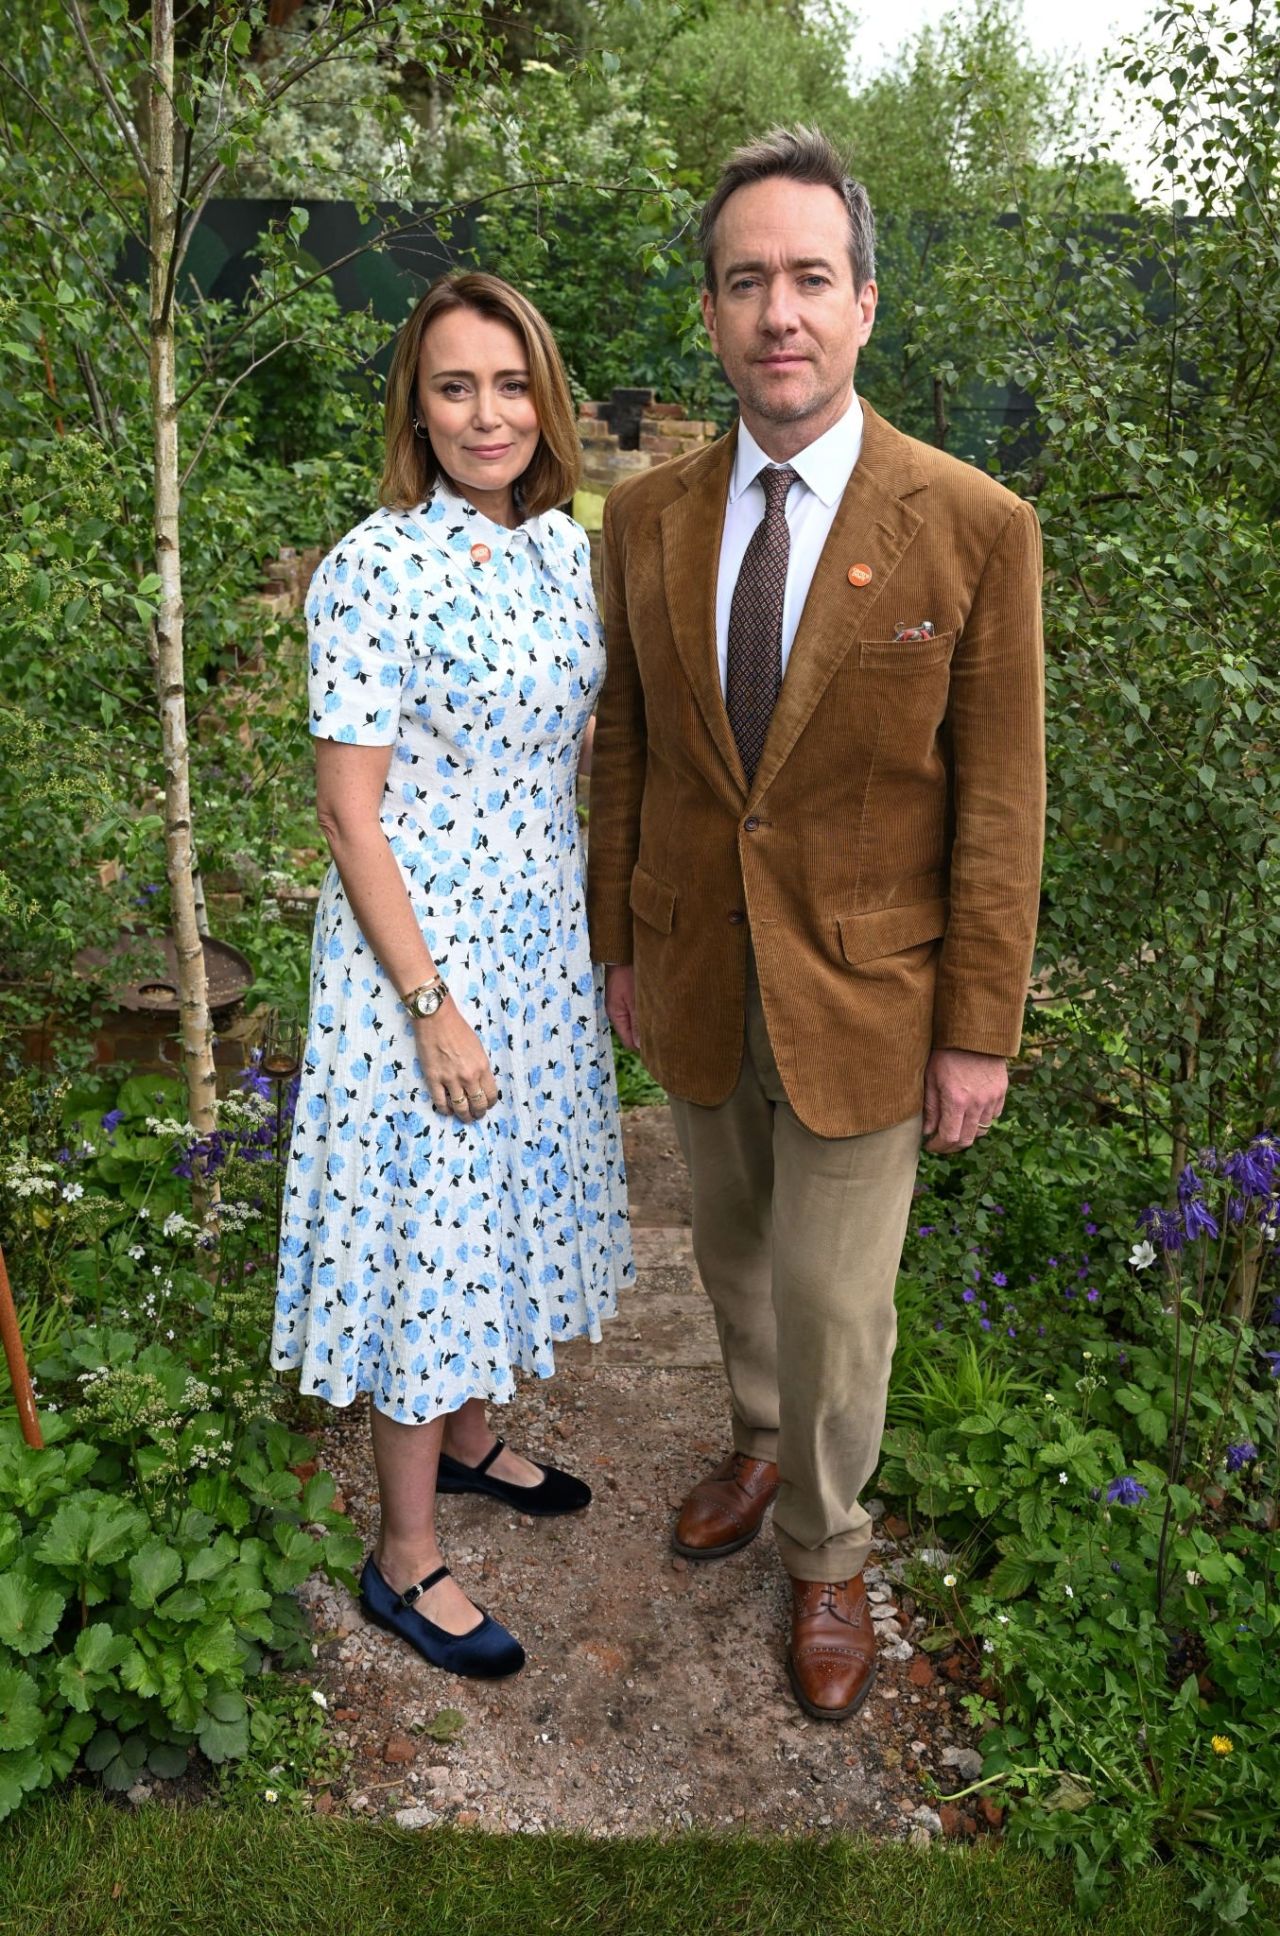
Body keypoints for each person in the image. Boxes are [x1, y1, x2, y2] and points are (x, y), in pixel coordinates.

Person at [587, 128, 1044, 1721]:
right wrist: (618, 947)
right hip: (701, 965)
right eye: (744, 282)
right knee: (728, 1252)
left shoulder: (973, 525)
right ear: (711, 316)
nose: (776, 312)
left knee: (838, 1296)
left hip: (874, 993)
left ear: (862, 302)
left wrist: (981, 1024)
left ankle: (829, 1557)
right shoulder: (643, 520)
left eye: (807, 279)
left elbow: (1000, 800)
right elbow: (628, 745)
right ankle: (762, 1444)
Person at [273, 270, 633, 1680]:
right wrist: (430, 1007)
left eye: (506, 381)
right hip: (414, 960)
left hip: (534, 940)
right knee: (429, 1234)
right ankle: (404, 1560)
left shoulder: (558, 550)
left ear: (542, 395)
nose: (486, 414)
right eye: (451, 386)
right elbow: (350, 811)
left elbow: (576, 743)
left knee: (501, 1199)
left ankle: (472, 1442)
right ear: (415, 413)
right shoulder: (377, 565)